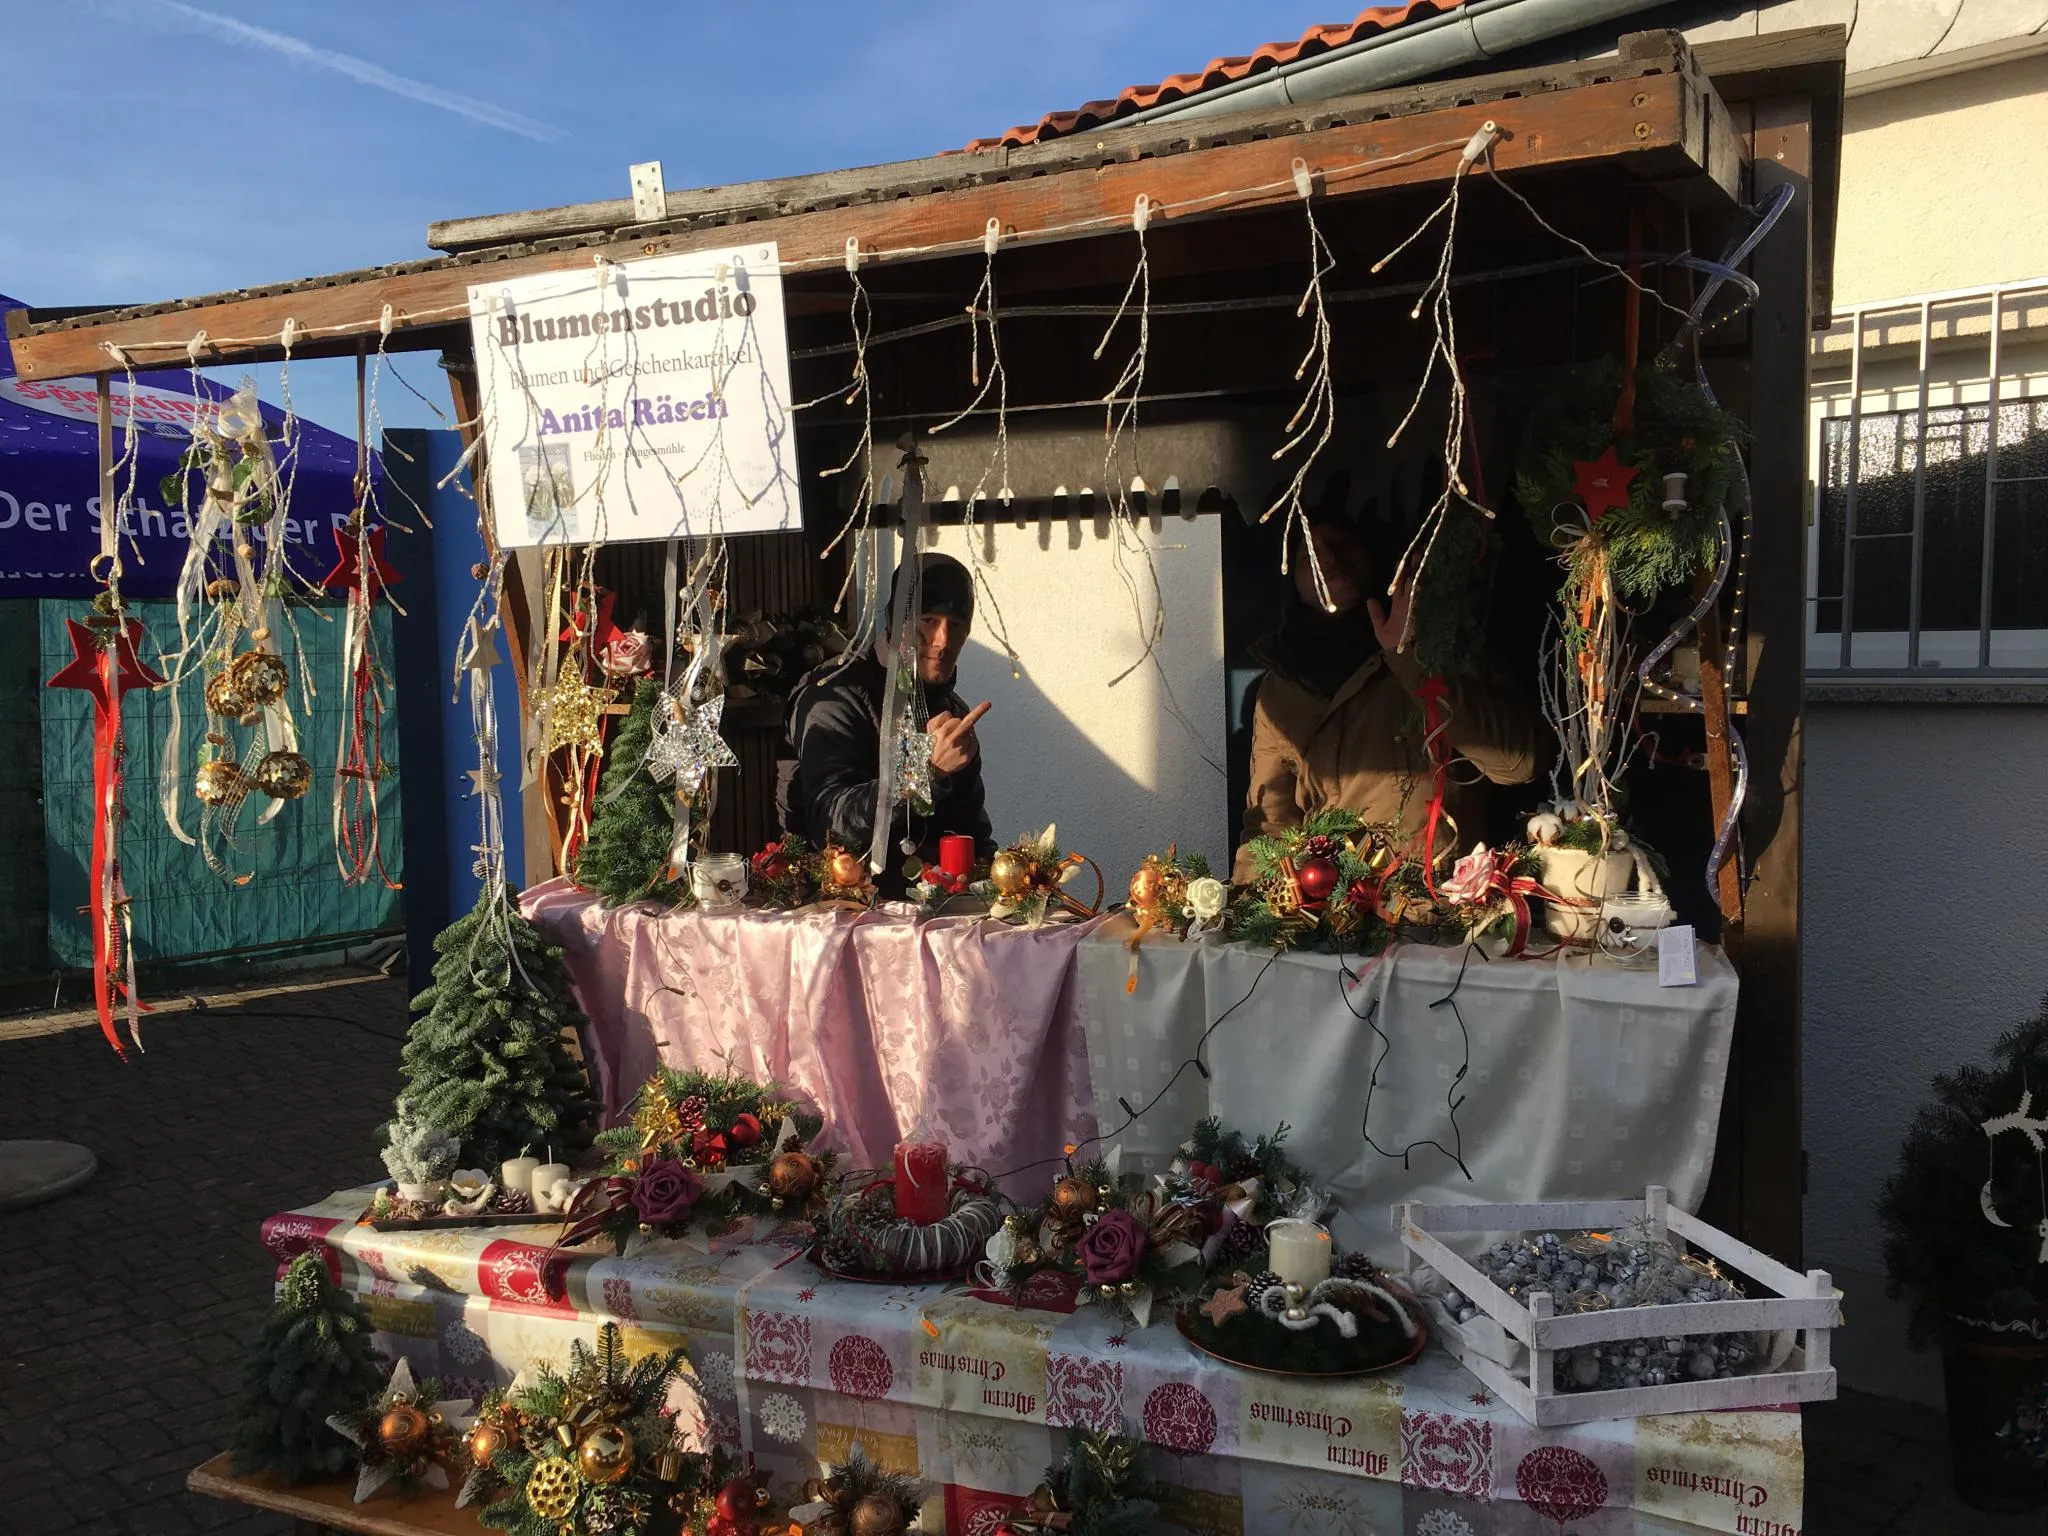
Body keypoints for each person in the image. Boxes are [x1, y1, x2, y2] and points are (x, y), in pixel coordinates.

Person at [1234, 512, 1535, 883]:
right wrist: (1245, 909)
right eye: (1307, 555)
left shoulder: (1440, 646)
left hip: (1437, 904)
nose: (1327, 558)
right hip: (1330, 904)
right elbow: (1270, 824)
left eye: (1341, 543)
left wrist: (1409, 657)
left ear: (1370, 554)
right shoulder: (1280, 689)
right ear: (1293, 582)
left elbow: (1517, 763)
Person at [777, 553, 996, 894]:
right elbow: (831, 825)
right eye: (928, 620)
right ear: (895, 621)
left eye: (956, 624)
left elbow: (972, 836)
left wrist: (1010, 883)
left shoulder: (951, 711)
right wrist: (925, 772)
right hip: (834, 909)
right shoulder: (834, 694)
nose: (942, 640)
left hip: (931, 910)